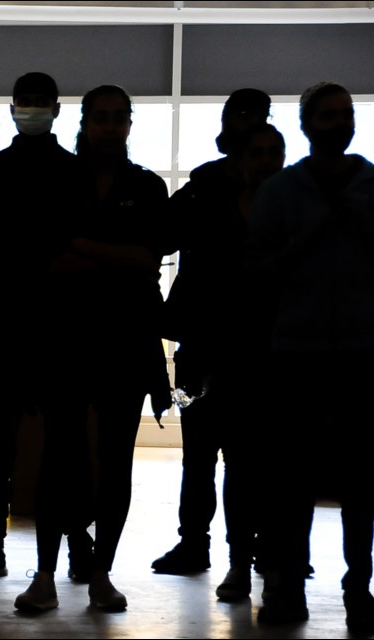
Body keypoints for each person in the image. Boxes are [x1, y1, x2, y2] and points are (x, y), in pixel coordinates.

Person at [16, 85, 172, 613]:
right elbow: (43, 265)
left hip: (126, 344)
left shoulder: (147, 187)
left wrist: (81, 246)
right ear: (84, 122)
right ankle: (43, 575)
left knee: (116, 463)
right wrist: (117, 258)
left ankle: (101, 572)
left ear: (129, 124)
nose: (109, 126)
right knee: (59, 457)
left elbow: (146, 262)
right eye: (100, 118)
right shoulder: (53, 181)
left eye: (118, 118)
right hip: (62, 341)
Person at [249, 82, 374, 634]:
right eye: (327, 116)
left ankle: (359, 588)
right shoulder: (281, 191)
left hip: (363, 353)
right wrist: (312, 233)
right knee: (290, 481)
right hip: (295, 352)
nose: (338, 124)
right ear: (306, 124)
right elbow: (256, 273)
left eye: (345, 115)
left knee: (362, 484)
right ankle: (288, 588)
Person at [0, 72, 93, 587]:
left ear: (56, 109)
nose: (34, 110)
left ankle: (75, 542)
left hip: (49, 322)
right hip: (12, 322)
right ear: (14, 107)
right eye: (28, 102)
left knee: (65, 446)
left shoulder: (66, 173)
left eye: (42, 103)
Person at [159, 119, 286, 602]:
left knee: (249, 463)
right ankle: (225, 553)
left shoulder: (284, 211)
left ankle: (247, 555)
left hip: (262, 357)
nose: (264, 162)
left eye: (272, 153)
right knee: (205, 455)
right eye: (257, 152)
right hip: (206, 353)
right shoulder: (208, 201)